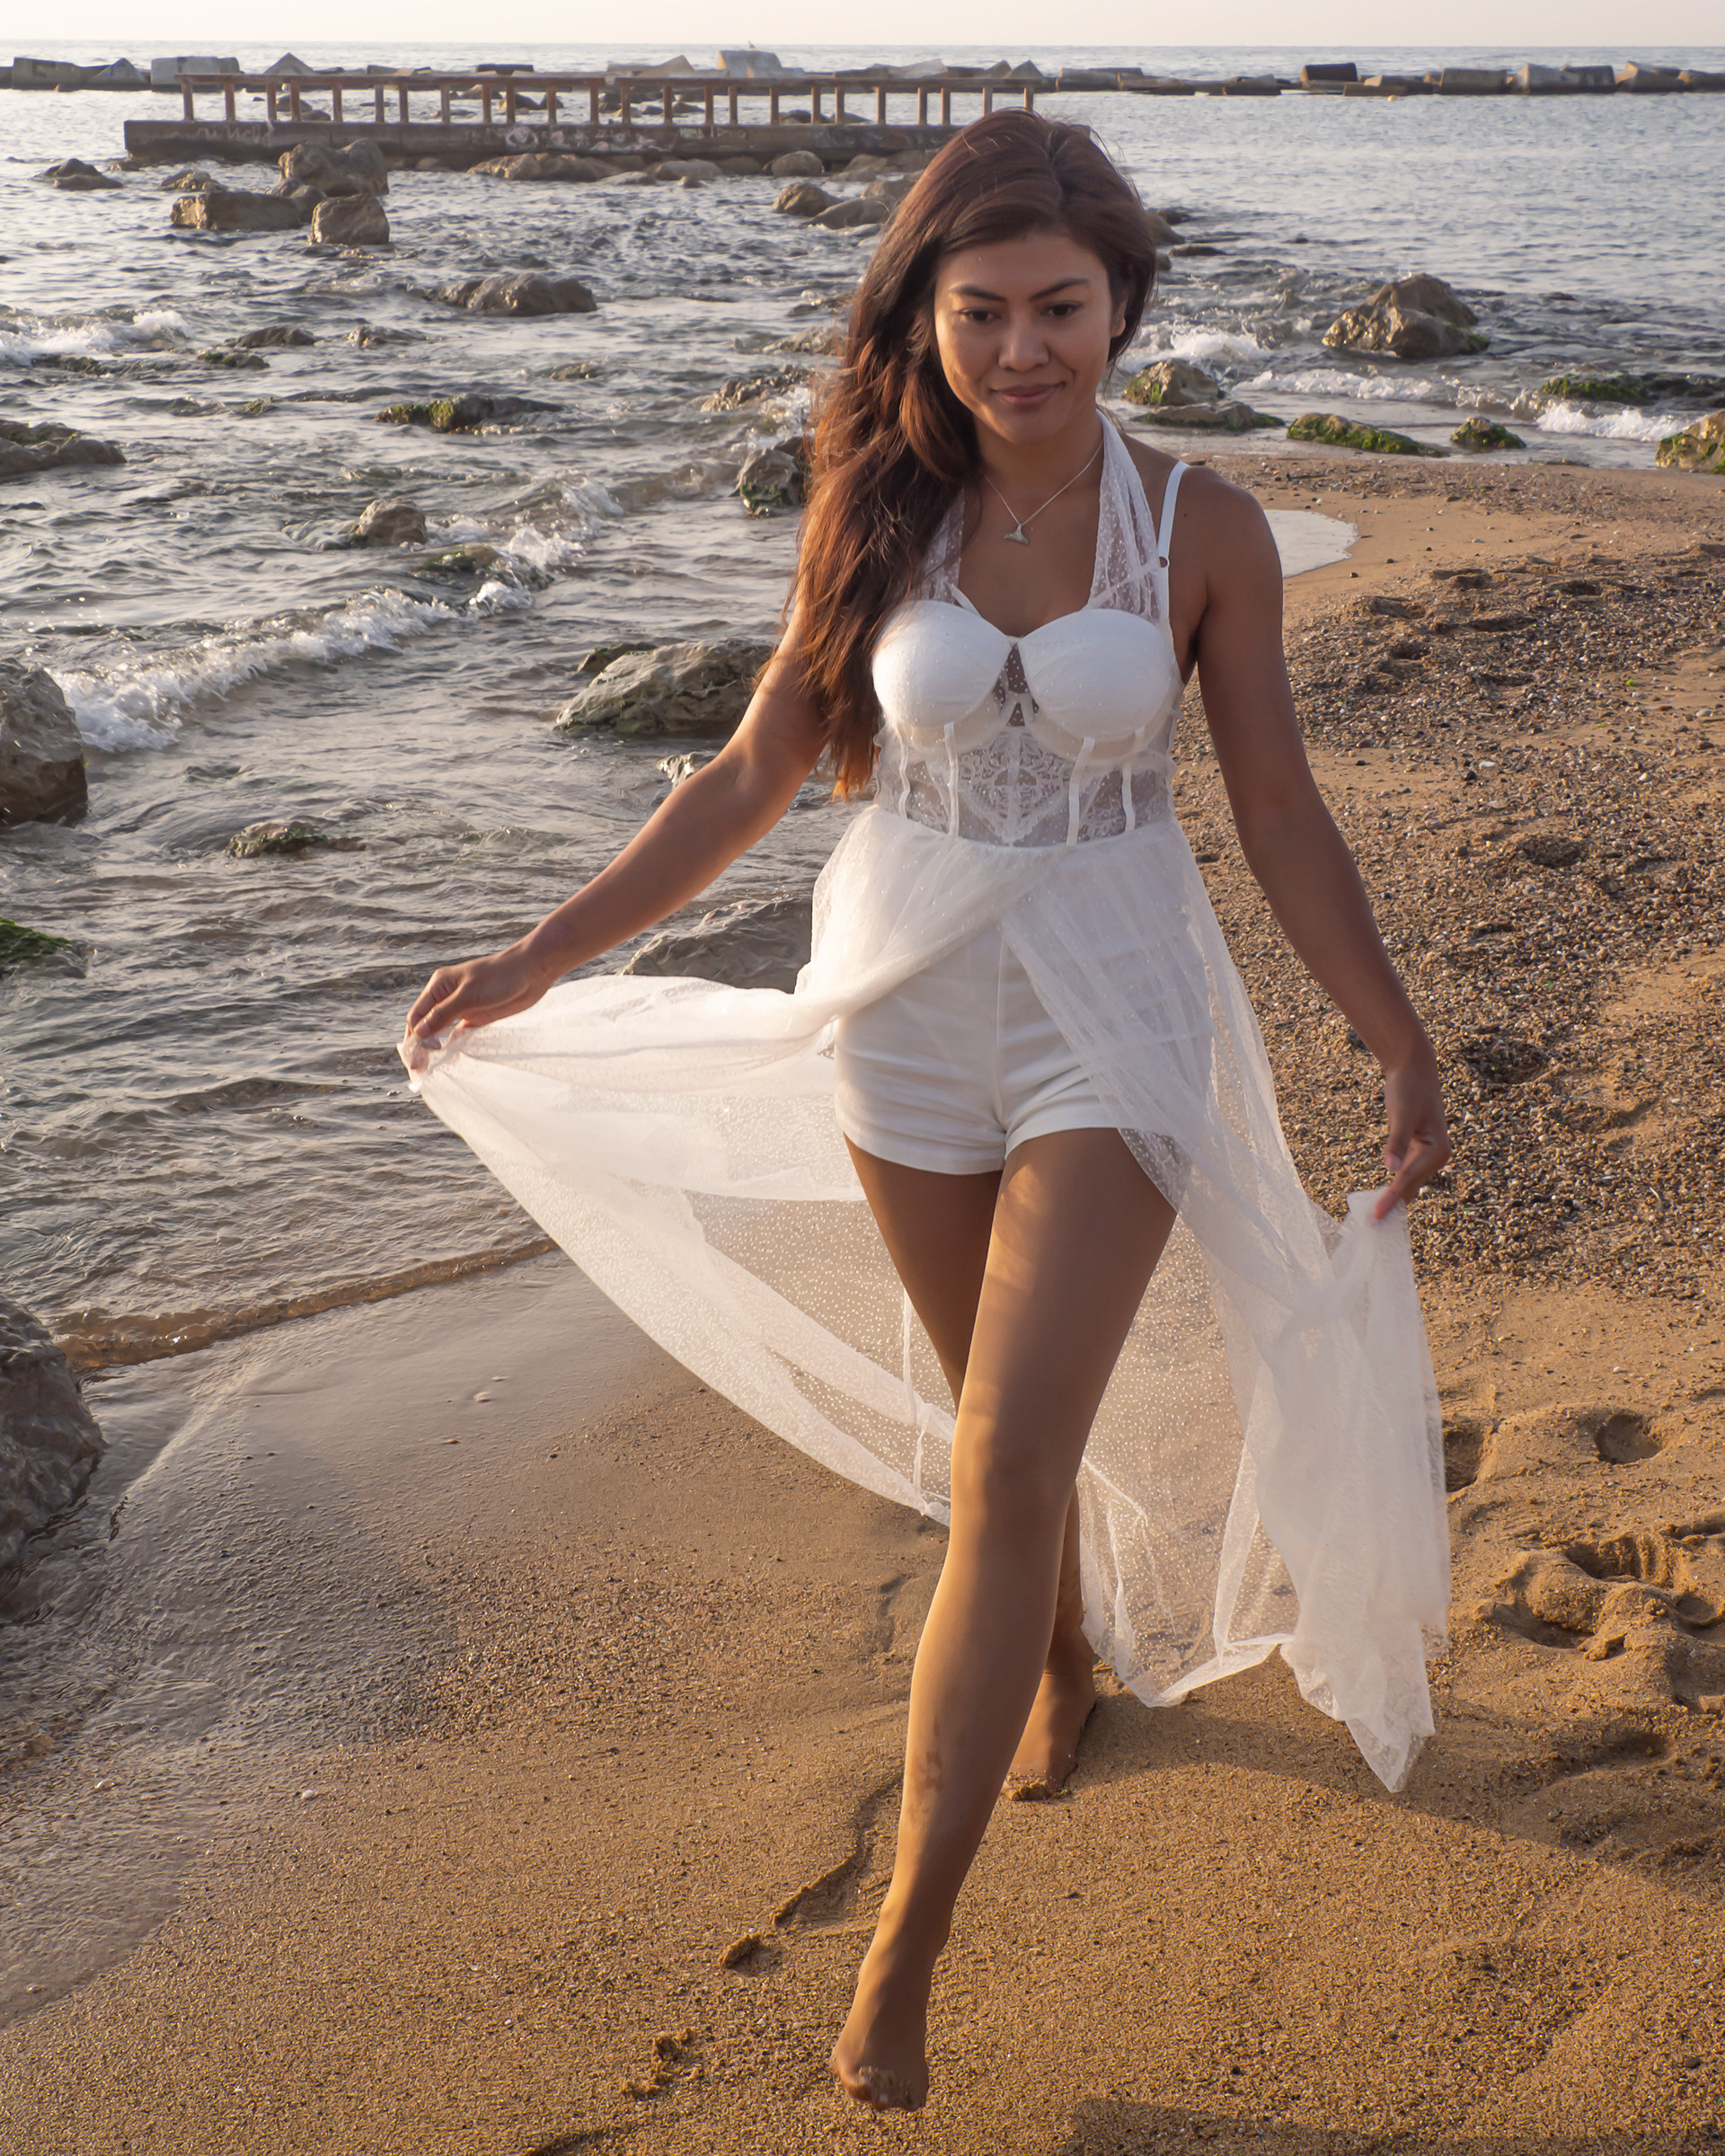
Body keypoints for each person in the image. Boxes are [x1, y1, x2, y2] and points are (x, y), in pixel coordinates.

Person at [402, 111, 1452, 2114]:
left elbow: (1278, 809)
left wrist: (1393, 1036)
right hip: (897, 1006)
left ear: (1123, 307)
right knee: (994, 1426)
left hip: (1114, 1012)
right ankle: (1055, 1661)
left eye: (1060, 307)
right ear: (926, 315)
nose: (1021, 348)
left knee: (1004, 1454)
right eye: (981, 311)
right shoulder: (872, 501)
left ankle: (904, 1946)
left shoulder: (1203, 528)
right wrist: (542, 953)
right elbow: (751, 771)